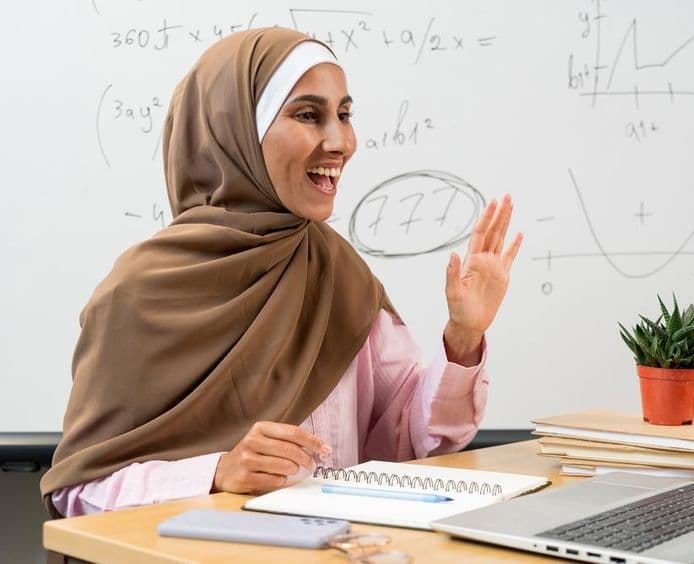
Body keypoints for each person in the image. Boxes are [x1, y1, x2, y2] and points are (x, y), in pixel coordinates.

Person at [40, 27, 522, 518]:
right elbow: (78, 491)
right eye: (308, 115)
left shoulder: (339, 273)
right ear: (238, 136)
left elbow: (403, 439)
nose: (341, 142)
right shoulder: (139, 293)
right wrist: (216, 472)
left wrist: (464, 337)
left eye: (345, 115)